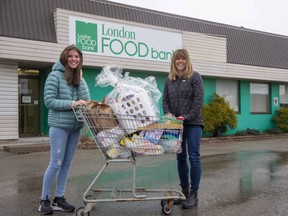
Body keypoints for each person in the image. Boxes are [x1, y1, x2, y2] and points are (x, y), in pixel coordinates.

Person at [39, 45, 90, 215]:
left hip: (75, 127)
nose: (74, 59)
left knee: (67, 164)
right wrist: (71, 104)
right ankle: (44, 200)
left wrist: (80, 80)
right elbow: (49, 101)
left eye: (77, 56)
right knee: (56, 163)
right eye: (71, 56)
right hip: (60, 127)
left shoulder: (79, 78)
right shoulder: (54, 76)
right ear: (65, 58)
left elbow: (86, 100)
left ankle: (59, 198)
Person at [162, 48, 204, 209]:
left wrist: (186, 116)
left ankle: (194, 193)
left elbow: (198, 101)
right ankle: (184, 192)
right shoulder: (169, 80)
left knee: (193, 156)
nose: (180, 61)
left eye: (183, 59)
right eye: (177, 59)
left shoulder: (195, 77)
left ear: (187, 60)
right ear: (173, 62)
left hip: (193, 123)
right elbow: (165, 100)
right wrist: (168, 113)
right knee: (180, 157)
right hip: (176, 125)